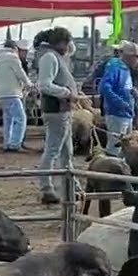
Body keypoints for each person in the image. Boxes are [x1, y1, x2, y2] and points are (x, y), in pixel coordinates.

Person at [34, 26, 78, 205]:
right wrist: (67, 92)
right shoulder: (50, 57)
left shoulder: (55, 57)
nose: (69, 47)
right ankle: (46, 187)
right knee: (53, 150)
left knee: (67, 151)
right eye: (67, 42)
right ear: (61, 42)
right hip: (56, 110)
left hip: (62, 110)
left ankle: (71, 186)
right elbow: (44, 85)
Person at [98, 41, 138, 156]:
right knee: (115, 145)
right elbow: (104, 87)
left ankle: (120, 165)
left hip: (126, 113)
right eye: (136, 57)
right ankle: (112, 164)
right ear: (128, 56)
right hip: (117, 113)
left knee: (126, 146)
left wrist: (133, 92)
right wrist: (120, 103)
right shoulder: (115, 66)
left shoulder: (125, 69)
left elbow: (122, 87)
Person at [0, 39, 32, 153]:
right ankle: (15, 144)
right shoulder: (13, 57)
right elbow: (20, 73)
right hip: (12, 92)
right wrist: (29, 84)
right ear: (15, 48)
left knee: (8, 119)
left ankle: (7, 143)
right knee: (20, 118)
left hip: (2, 93)